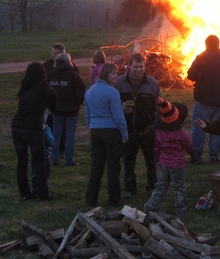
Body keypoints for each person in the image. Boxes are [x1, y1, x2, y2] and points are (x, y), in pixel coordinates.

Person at [115, 53, 162, 199]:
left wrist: (154, 126)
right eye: (135, 66)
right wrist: (121, 107)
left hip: (147, 130)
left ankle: (152, 187)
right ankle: (130, 189)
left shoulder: (152, 83)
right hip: (128, 130)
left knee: (151, 161)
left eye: (141, 66)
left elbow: (160, 107)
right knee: (129, 162)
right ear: (129, 66)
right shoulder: (120, 83)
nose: (138, 70)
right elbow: (113, 104)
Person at [187, 35, 220, 164]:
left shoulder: (201, 58)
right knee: (217, 130)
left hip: (204, 100)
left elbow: (191, 75)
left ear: (206, 44)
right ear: (219, 44)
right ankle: (214, 157)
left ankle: (196, 156)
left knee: (199, 128)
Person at [84, 63, 129, 207]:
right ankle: (114, 199)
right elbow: (118, 115)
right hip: (111, 131)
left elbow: (87, 113)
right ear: (106, 75)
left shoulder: (90, 91)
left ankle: (91, 199)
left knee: (96, 166)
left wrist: (92, 125)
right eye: (113, 73)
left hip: (95, 131)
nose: (116, 75)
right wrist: (124, 133)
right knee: (113, 166)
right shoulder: (112, 92)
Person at [11, 62, 57, 200]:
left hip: (17, 126)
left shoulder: (25, 86)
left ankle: (25, 193)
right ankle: (43, 193)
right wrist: (51, 108)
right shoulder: (43, 86)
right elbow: (53, 94)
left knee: (22, 162)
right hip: (32, 127)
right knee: (39, 162)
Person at [142, 98, 195, 216]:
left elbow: (156, 148)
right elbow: (188, 145)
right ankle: (181, 210)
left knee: (160, 186)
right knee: (179, 188)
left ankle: (149, 206)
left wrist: (158, 159)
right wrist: (193, 154)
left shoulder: (159, 133)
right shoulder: (180, 133)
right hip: (177, 165)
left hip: (162, 164)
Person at [48, 52, 86, 167]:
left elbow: (46, 91)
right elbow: (81, 90)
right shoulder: (73, 75)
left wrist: (50, 105)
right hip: (71, 110)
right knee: (70, 134)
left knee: (55, 134)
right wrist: (77, 103)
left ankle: (54, 159)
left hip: (56, 109)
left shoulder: (51, 75)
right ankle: (69, 159)